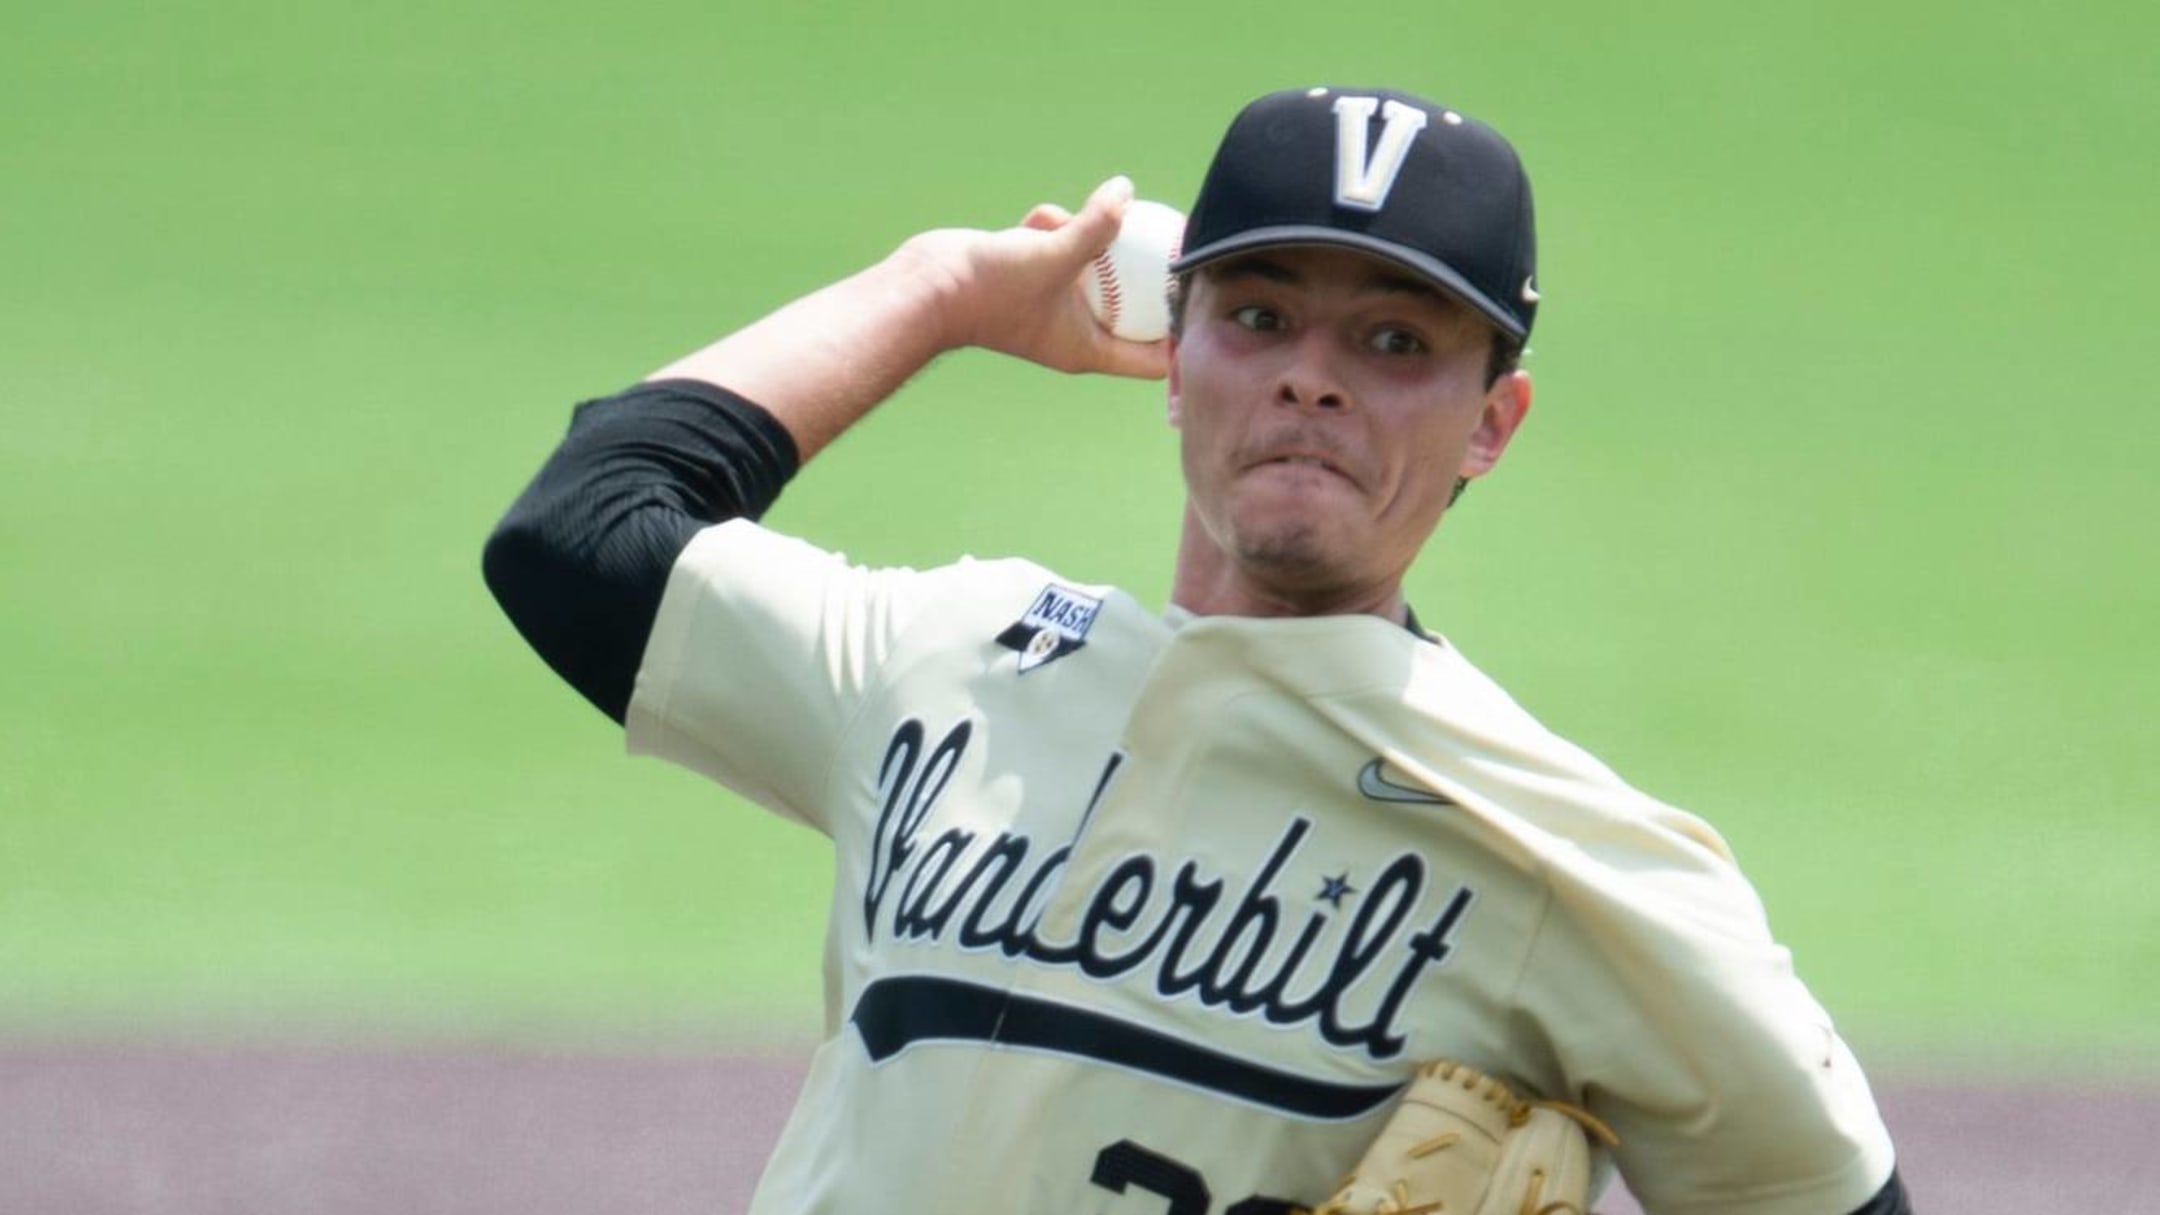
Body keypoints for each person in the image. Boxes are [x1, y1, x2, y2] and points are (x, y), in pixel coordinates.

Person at [484, 86, 1911, 1215]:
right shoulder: (950, 659)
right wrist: (941, 292)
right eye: (1261, 314)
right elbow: (577, 536)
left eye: (1397, 341)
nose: (1311, 373)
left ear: (1493, 422)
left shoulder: (1580, 865)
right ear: (1177, 356)